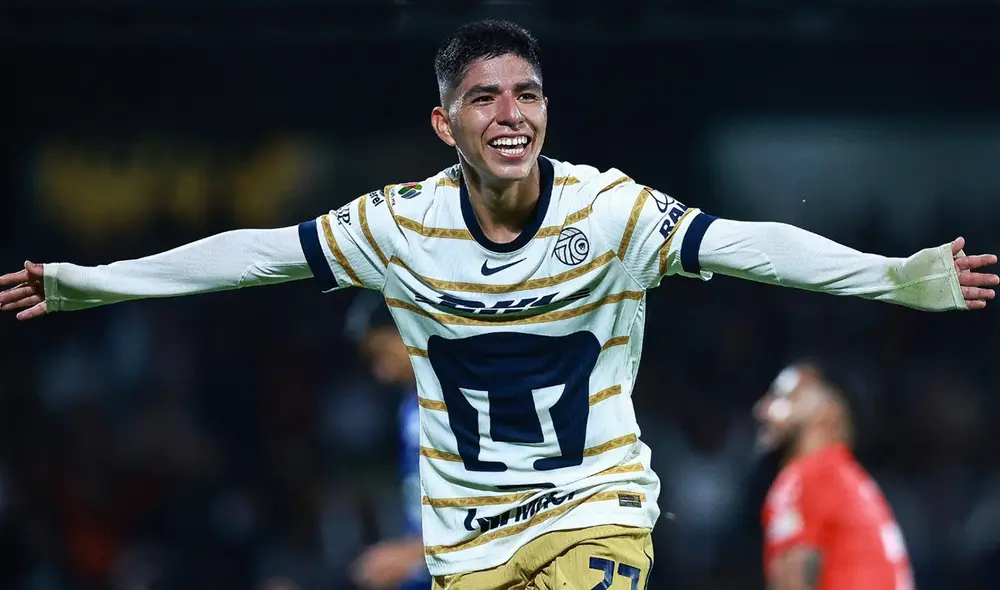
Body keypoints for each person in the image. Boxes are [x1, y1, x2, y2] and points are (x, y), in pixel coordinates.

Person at [1, 18, 996, 590]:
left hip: (593, 511)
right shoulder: (400, 225)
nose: (511, 111)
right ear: (445, 123)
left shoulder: (609, 209)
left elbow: (745, 246)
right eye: (485, 96)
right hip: (468, 541)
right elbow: (256, 253)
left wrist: (889, 273)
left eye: (527, 92)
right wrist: (95, 280)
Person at [754, 362, 914, 590]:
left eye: (788, 398)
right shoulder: (844, 477)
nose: (765, 409)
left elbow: (792, 581)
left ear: (826, 413)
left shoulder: (807, 476)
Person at [344, 292, 430, 590]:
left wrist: (413, 556)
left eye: (380, 351)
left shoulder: (459, 402)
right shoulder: (407, 404)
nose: (380, 372)